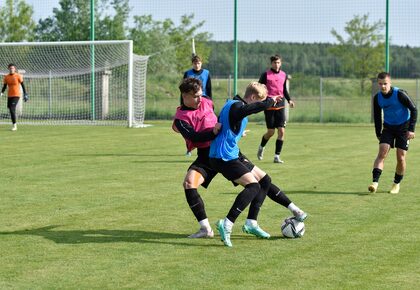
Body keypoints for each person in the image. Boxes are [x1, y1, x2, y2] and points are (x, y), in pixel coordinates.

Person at [209, 82, 307, 247]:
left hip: (232, 152)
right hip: (223, 157)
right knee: (253, 187)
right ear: (252, 98)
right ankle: (227, 224)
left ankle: (254, 222)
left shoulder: (232, 102)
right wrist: (269, 101)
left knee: (265, 181)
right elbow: (247, 110)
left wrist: (237, 132)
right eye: (258, 101)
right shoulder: (238, 106)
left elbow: (227, 123)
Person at [173, 77, 221, 238]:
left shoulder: (207, 101)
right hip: (206, 156)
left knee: (257, 182)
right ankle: (206, 229)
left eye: (201, 94)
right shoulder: (180, 119)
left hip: (223, 152)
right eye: (195, 96)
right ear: (185, 96)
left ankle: (294, 210)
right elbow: (194, 137)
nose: (200, 99)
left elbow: (219, 120)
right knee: (188, 183)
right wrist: (213, 132)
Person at [369, 72, 417, 194]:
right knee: (382, 153)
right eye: (380, 84)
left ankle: (396, 184)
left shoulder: (400, 94)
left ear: (390, 83)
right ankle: (374, 183)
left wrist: (411, 129)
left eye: (385, 83)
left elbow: (414, 109)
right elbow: (377, 116)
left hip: (403, 127)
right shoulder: (377, 98)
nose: (383, 86)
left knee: (400, 157)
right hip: (389, 127)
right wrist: (378, 133)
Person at [257, 54, 294, 163]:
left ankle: (277, 156)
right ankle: (261, 146)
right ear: (271, 64)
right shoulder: (265, 75)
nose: (276, 64)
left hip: (281, 106)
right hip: (269, 106)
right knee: (271, 132)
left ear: (280, 63)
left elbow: (284, 89)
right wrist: (262, 101)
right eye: (274, 63)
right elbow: (259, 89)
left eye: (278, 62)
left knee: (281, 131)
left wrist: (289, 100)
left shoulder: (283, 75)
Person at [182, 55, 213, 157]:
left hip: (203, 102)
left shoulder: (206, 73)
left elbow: (209, 88)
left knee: (206, 125)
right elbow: (183, 91)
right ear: (192, 64)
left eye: (198, 63)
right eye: (195, 63)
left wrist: (210, 103)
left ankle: (209, 147)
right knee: (190, 127)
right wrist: (183, 104)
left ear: (201, 63)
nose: (197, 65)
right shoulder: (188, 73)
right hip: (191, 103)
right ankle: (189, 146)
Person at [1, 63, 29, 131]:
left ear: (15, 69)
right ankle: (14, 122)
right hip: (9, 95)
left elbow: (22, 85)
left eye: (13, 68)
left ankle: (15, 126)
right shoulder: (6, 77)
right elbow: (4, 86)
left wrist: (25, 94)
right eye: (10, 68)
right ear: (8, 69)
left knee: (11, 108)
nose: (11, 69)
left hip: (16, 95)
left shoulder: (18, 76)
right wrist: (1, 93)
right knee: (10, 109)